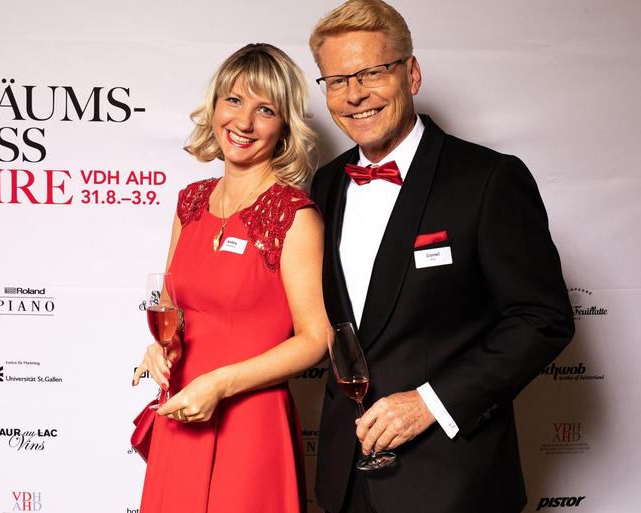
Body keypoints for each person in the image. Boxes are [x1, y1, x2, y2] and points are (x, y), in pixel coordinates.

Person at [308, 2, 575, 512]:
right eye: (337, 80)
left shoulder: (489, 180)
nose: (354, 94)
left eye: (371, 72)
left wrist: (431, 402)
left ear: (411, 74)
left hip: (453, 480)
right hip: (346, 481)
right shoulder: (326, 184)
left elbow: (542, 320)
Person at [131, 43, 328, 513]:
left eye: (265, 109)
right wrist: (161, 348)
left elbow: (316, 338)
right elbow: (172, 306)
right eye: (234, 101)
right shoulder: (190, 202)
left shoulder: (294, 216)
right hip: (183, 410)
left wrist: (221, 384)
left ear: (284, 125)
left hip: (250, 420)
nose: (243, 122)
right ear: (215, 106)